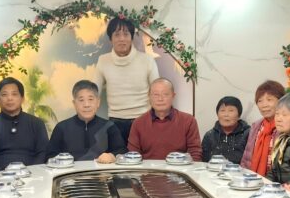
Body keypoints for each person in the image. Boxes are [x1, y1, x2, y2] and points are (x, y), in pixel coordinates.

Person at [95, 16, 161, 144]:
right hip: (115, 121)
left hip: (143, 120)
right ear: (110, 39)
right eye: (117, 35)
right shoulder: (103, 60)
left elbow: (158, 91)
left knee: (144, 156)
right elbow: (93, 91)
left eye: (126, 34)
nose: (122, 39)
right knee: (116, 155)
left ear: (132, 37)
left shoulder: (147, 60)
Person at [0, 77, 49, 175]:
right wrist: (2, 177)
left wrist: (31, 174)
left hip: (32, 177)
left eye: (14, 94)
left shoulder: (37, 123)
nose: (10, 98)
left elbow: (43, 153)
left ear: (22, 98)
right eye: (4, 94)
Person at [46, 79, 125, 162]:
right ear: (74, 104)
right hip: (71, 170)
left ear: (98, 102)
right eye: (81, 100)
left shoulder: (109, 126)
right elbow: (50, 156)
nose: (86, 105)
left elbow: (122, 151)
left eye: (90, 99)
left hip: (101, 170)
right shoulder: (61, 128)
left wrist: (111, 156)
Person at [127, 78, 202, 161]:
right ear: (149, 96)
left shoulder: (188, 121)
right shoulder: (138, 123)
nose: (160, 99)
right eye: (156, 95)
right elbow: (132, 156)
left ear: (173, 96)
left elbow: (195, 154)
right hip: (147, 169)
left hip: (179, 168)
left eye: (165, 94)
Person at [240, 80, 286, 175]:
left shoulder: (286, 127)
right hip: (251, 179)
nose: (264, 105)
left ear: (281, 101)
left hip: (275, 181)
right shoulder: (255, 126)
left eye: (269, 100)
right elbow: (246, 159)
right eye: (260, 101)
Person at [201, 96, 249, 163]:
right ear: (217, 114)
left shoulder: (248, 134)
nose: (226, 115)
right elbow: (204, 162)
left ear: (239, 115)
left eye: (231, 110)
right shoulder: (209, 136)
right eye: (222, 110)